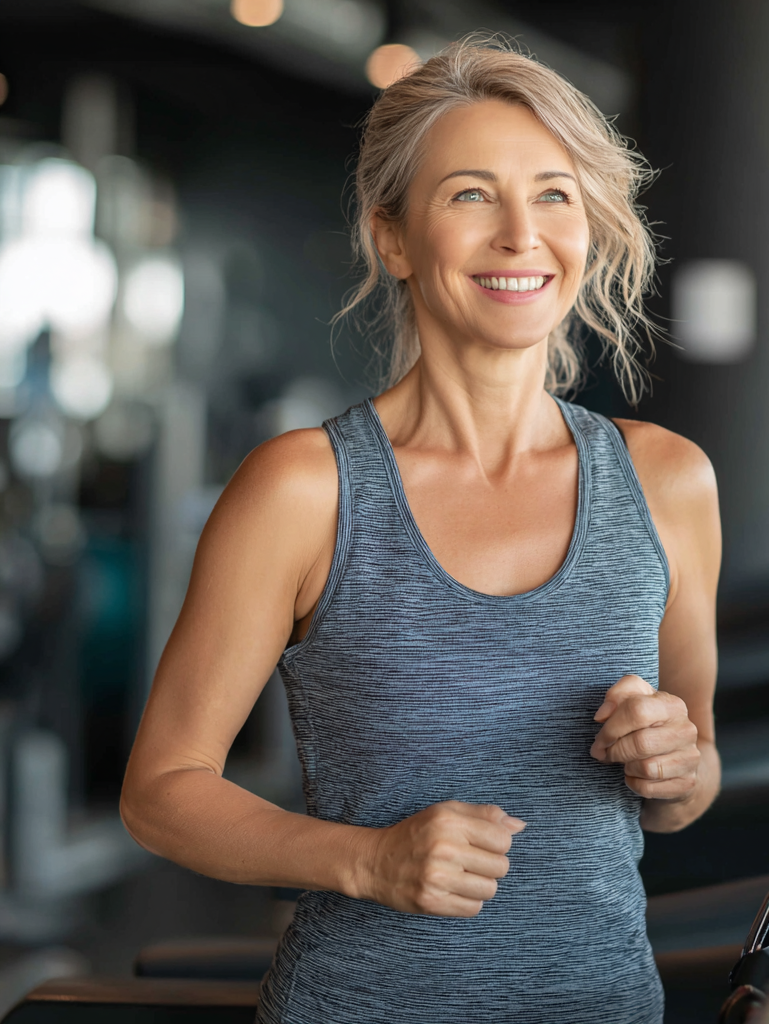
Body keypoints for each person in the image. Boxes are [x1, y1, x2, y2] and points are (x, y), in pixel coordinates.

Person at [120, 37, 721, 1024]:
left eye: (555, 195)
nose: (521, 233)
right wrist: (366, 858)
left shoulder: (667, 481)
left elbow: (691, 780)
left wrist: (676, 763)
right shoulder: (303, 488)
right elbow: (161, 790)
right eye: (471, 195)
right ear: (393, 237)